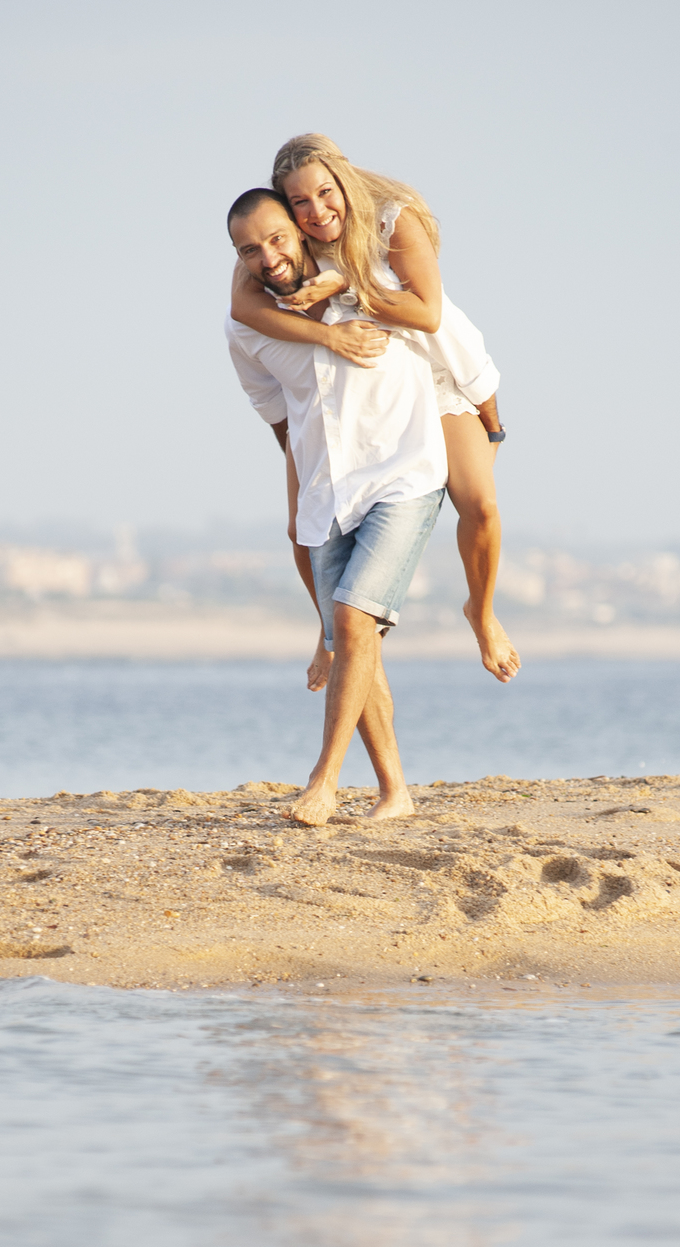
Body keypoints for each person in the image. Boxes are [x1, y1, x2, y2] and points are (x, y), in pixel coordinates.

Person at [230, 132, 520, 686]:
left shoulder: (391, 220)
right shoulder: (280, 246)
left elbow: (438, 321)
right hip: (356, 393)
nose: (316, 212)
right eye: (299, 202)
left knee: (480, 504)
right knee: (300, 528)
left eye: (324, 192)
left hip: (433, 373)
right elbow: (242, 308)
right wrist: (327, 342)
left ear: (343, 180)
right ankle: (329, 631)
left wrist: (492, 419)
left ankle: (481, 614)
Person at [226, 188, 448, 827]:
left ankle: (323, 781)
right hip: (328, 493)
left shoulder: (367, 283)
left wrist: (487, 425)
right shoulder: (246, 328)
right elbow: (282, 424)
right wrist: (299, 512)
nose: (268, 256)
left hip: (404, 476)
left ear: (301, 230)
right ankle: (395, 793)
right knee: (356, 640)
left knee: (352, 622)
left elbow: (446, 330)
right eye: (249, 249)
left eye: (277, 237)